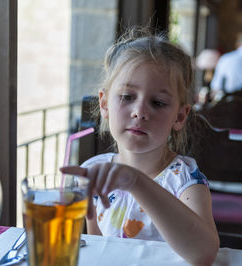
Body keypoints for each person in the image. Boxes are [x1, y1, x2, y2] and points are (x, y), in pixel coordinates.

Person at [61, 28, 220, 265]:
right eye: (127, 96)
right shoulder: (95, 171)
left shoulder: (184, 180)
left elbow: (204, 253)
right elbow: (97, 249)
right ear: (104, 104)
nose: (140, 112)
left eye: (158, 102)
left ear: (179, 116)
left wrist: (135, 181)